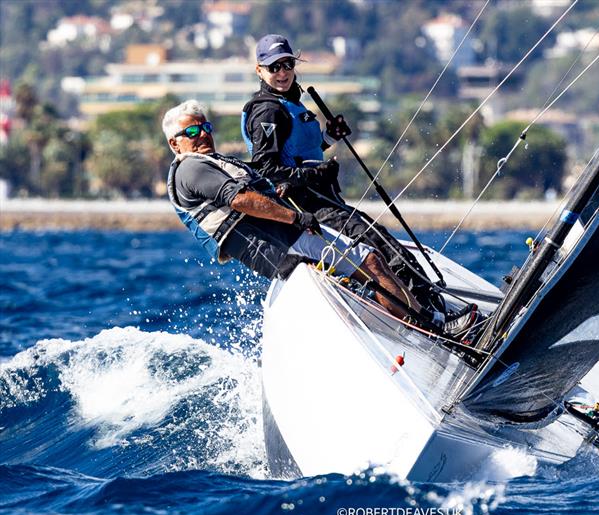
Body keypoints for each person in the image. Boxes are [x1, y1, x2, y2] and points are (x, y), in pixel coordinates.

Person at [162, 99, 476, 336]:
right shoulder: (191, 167)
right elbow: (242, 199)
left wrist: (322, 145)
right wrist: (297, 219)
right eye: (191, 131)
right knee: (364, 266)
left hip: (281, 236)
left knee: (365, 265)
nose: (202, 134)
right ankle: (431, 327)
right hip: (275, 242)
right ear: (174, 142)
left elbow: (257, 184)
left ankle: (418, 325)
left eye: (206, 128)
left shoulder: (211, 162)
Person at [241, 34, 440, 311]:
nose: (282, 73)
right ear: (259, 70)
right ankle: (431, 313)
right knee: (379, 246)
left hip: (322, 198)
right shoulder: (267, 111)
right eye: (274, 67)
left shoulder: (289, 103)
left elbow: (300, 153)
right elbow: (266, 170)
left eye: (287, 64)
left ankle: (426, 306)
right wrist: (317, 174)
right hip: (307, 203)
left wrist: (329, 138)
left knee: (379, 241)